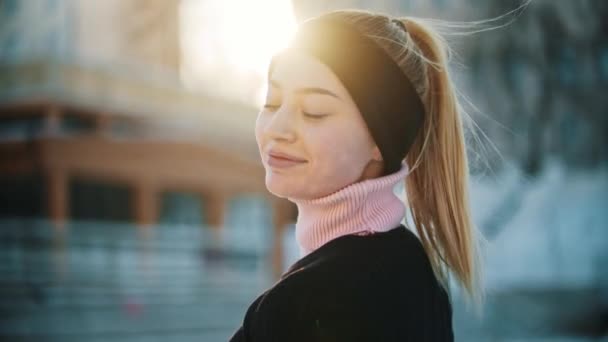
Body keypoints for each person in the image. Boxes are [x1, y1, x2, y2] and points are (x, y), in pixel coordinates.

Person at [230, 8, 484, 341]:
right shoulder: (412, 270)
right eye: (273, 102)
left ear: (381, 140)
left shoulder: (314, 303)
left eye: (314, 112)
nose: (277, 128)